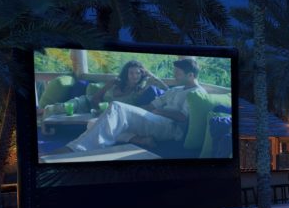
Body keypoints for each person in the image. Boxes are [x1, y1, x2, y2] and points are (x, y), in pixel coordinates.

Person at [61, 57, 206, 153]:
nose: (174, 76)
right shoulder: (176, 89)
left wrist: (159, 112)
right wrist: (131, 112)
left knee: (116, 107)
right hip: (156, 119)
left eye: (178, 73)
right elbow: (150, 106)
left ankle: (76, 149)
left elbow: (182, 117)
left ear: (191, 76)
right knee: (94, 122)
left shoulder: (197, 93)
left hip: (171, 128)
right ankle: (140, 140)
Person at [90, 60, 165, 110]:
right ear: (126, 74)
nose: (135, 76)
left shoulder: (139, 90)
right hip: (95, 108)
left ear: (141, 74)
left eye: (138, 73)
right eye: (131, 73)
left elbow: (166, 89)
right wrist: (102, 108)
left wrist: (149, 73)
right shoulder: (114, 82)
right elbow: (95, 98)